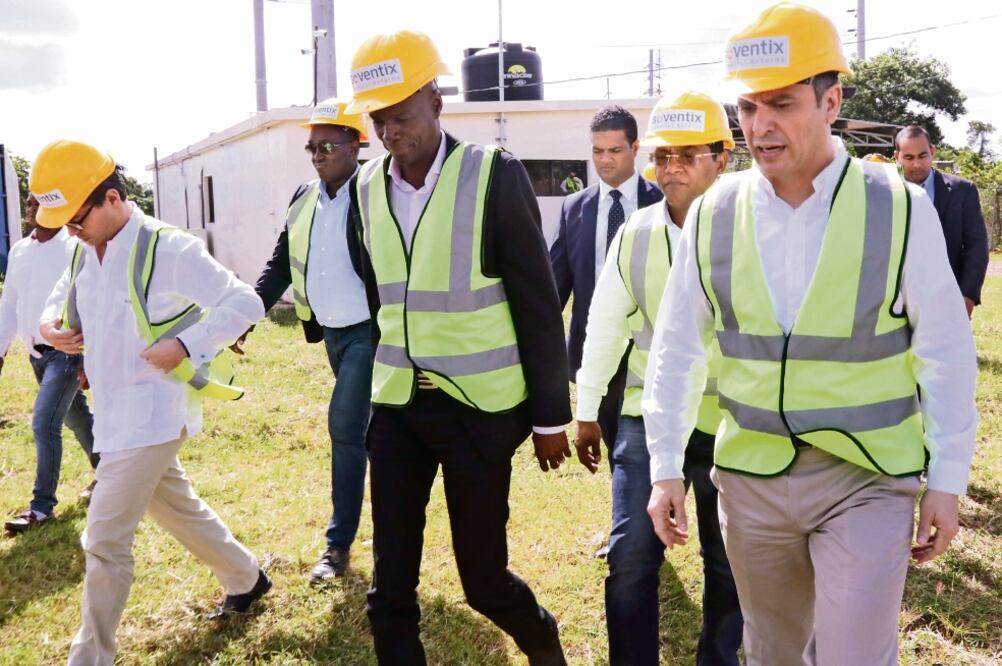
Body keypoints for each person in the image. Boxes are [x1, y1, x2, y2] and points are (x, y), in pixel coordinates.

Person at [644, 5, 978, 665]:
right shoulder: (713, 214)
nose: (761, 125)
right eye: (749, 107)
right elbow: (676, 350)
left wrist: (947, 476)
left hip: (866, 477)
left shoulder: (899, 208)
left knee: (853, 655)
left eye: (783, 104)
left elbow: (945, 350)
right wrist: (663, 468)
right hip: (750, 480)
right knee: (773, 653)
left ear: (831, 102)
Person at [344, 30, 572, 665]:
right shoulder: (366, 191)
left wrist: (552, 415)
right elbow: (380, 293)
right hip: (396, 410)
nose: (392, 131)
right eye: (380, 119)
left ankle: (542, 641)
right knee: (389, 586)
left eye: (404, 115)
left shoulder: (493, 176)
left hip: (479, 413)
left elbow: (538, 303)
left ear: (437, 99)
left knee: (482, 581)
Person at [31, 140, 271, 665]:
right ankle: (246, 578)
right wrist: (52, 323)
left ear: (112, 198)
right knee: (178, 509)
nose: (69, 231)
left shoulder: (171, 249)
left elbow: (245, 302)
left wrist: (186, 345)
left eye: (75, 219)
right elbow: (63, 291)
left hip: (154, 414)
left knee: (104, 537)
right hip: (113, 414)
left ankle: (89, 658)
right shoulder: (81, 246)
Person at [574, 91, 742, 665]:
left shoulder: (751, 231)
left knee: (729, 570)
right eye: (663, 155)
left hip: (733, 426)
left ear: (722, 158)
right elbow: (604, 326)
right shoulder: (637, 233)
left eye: (688, 155)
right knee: (629, 560)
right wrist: (587, 408)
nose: (671, 168)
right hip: (647, 418)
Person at [246, 98, 373, 585]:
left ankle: (337, 546)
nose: (317, 154)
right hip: (332, 334)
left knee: (345, 427)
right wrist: (247, 315)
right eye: (310, 146)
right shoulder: (305, 195)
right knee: (373, 433)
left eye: (326, 144)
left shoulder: (374, 189)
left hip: (370, 330)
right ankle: (394, 517)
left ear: (355, 145)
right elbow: (280, 263)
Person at [550, 105, 663, 457]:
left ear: (635, 148)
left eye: (615, 150)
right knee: (619, 452)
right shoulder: (574, 208)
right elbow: (555, 287)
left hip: (650, 352)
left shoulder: (661, 202)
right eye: (597, 151)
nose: (605, 160)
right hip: (595, 351)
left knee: (650, 450)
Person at [1, 193, 98, 533]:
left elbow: (87, 297)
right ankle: (109, 472)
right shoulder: (20, 250)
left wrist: (89, 353)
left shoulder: (73, 246)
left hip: (67, 350)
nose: (32, 210)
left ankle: (41, 507)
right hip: (36, 354)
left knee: (44, 425)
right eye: (28, 204)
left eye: (39, 204)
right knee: (76, 417)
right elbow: (10, 302)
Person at [894, 125, 989, 317]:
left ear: (933, 151)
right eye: (908, 158)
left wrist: (967, 296)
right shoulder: (885, 191)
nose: (917, 165)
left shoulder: (963, 190)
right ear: (897, 156)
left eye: (922, 156)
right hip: (895, 303)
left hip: (947, 299)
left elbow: (977, 246)